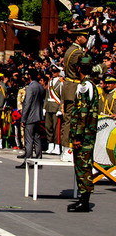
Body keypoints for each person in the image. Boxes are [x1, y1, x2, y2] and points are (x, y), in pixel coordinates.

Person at [67, 55, 99, 212]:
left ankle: (84, 200)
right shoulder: (91, 84)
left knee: (82, 166)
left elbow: (83, 112)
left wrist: (78, 136)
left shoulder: (84, 86)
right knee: (84, 165)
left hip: (84, 134)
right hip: (89, 133)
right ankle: (83, 198)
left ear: (79, 68)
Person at [61, 28, 89, 161]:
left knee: (68, 118)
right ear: (78, 38)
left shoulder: (69, 50)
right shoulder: (77, 52)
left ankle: (66, 148)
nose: (86, 39)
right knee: (70, 119)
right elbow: (86, 68)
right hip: (74, 86)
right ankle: (67, 149)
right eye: (85, 37)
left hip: (69, 86)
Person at [16, 68, 45, 168]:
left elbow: (27, 104)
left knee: (29, 139)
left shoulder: (30, 88)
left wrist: (23, 119)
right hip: (38, 115)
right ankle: (39, 160)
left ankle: (27, 160)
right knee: (37, 138)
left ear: (29, 76)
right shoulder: (40, 87)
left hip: (30, 117)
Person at [43, 65, 63, 155]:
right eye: (53, 72)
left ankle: (57, 146)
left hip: (56, 107)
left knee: (56, 128)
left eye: (55, 72)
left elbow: (62, 97)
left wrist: (60, 109)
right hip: (49, 107)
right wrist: (44, 108)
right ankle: (50, 145)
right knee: (48, 127)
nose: (54, 74)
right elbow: (47, 96)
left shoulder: (61, 82)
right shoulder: (50, 82)